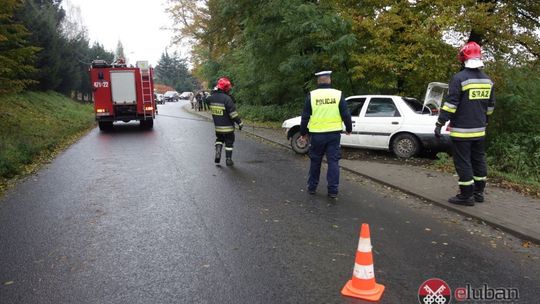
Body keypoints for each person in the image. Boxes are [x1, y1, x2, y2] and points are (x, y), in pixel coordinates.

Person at [435, 41, 495, 206]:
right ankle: (479, 193)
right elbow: (490, 106)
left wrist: (440, 122)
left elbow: (451, 104)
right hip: (480, 131)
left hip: (462, 131)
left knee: (463, 162)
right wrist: (485, 121)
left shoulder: (459, 78)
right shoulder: (487, 81)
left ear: (463, 58)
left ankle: (466, 196)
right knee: (478, 160)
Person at [300, 71, 352, 198]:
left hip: (317, 135)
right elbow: (346, 114)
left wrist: (303, 133)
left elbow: (305, 116)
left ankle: (312, 187)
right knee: (333, 162)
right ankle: (333, 191)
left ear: (318, 81)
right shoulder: (338, 94)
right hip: (334, 135)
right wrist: (349, 128)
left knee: (315, 161)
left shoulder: (312, 95)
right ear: (329, 80)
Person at [206, 77, 243, 166]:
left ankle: (218, 152)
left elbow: (206, 100)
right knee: (229, 143)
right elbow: (233, 114)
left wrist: (213, 92)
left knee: (219, 139)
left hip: (218, 128)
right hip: (228, 128)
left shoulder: (211, 98)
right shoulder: (227, 99)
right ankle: (228, 160)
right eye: (228, 88)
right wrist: (240, 123)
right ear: (226, 88)